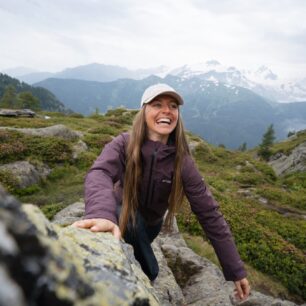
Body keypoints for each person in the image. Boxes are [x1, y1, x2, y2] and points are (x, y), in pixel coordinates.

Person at [73, 83, 250, 301]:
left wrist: (236, 270)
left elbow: (209, 213)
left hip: (150, 227)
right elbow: (99, 172)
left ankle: (145, 279)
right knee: (128, 217)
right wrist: (100, 213)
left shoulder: (182, 160)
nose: (167, 111)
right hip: (120, 216)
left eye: (173, 106)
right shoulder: (123, 144)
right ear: (144, 111)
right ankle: (150, 273)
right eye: (157, 104)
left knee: (136, 226)